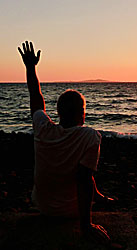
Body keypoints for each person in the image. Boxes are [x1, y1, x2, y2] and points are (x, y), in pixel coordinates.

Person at [18, 41, 111, 245]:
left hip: (42, 207)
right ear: (82, 114)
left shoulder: (43, 128)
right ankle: (94, 205)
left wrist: (30, 68)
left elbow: (35, 97)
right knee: (84, 170)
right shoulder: (89, 136)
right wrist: (86, 227)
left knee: (80, 167)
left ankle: (99, 195)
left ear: (58, 113)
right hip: (71, 212)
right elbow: (84, 180)